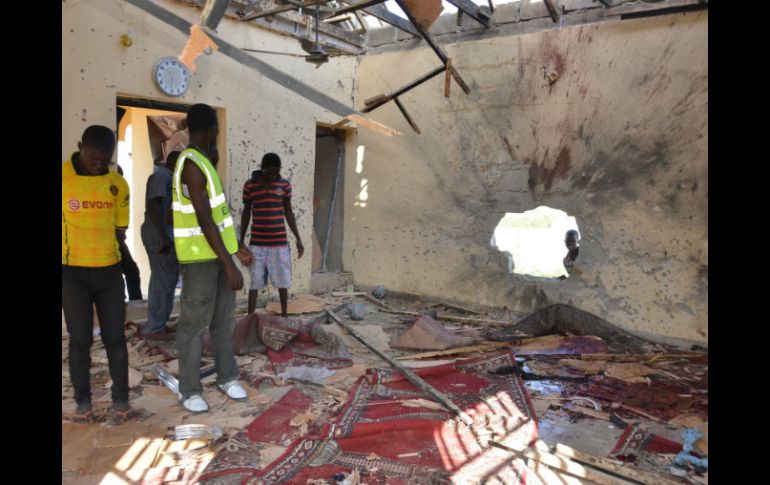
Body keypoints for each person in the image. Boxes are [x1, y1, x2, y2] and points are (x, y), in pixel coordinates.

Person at [172, 104, 252, 413]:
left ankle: (226, 377)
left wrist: (237, 249)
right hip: (201, 260)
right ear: (210, 130)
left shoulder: (204, 162)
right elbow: (204, 221)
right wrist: (229, 264)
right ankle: (190, 389)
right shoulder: (191, 164)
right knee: (193, 324)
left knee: (223, 321)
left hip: (218, 256)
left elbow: (220, 218)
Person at [62, 125, 137, 422]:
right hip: (72, 273)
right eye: (93, 159)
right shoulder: (64, 179)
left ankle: (121, 401)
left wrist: (122, 266)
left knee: (115, 338)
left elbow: (120, 230)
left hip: (108, 272)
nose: (98, 166)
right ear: (81, 147)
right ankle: (83, 403)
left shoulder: (118, 184)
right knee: (80, 339)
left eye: (104, 161)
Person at [240, 153, 304, 317]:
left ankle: (284, 315)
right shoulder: (250, 186)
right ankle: (250, 317)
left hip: (279, 244)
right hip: (257, 245)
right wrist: (241, 240)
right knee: (255, 283)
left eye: (276, 172)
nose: (273, 176)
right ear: (263, 169)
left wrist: (298, 238)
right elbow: (246, 212)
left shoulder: (284, 185)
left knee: (283, 281)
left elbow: (288, 212)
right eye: (270, 172)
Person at [139, 151, 181, 340]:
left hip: (165, 235)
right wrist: (164, 236)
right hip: (159, 235)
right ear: (171, 161)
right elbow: (154, 205)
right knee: (162, 281)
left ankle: (160, 323)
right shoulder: (161, 176)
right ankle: (155, 327)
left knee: (168, 280)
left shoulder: (172, 178)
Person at [110, 163, 143, 301]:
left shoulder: (119, 192)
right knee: (123, 272)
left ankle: (134, 301)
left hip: (117, 239)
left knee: (131, 271)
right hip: (108, 241)